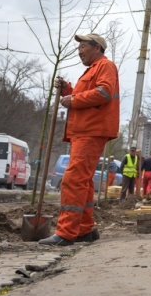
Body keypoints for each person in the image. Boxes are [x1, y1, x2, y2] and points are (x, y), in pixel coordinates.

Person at [39, 33, 119, 246]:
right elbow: (87, 95)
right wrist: (68, 90)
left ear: (97, 48)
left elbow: (103, 93)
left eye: (83, 46)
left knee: (73, 180)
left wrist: (72, 99)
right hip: (84, 130)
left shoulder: (105, 66)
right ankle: (84, 229)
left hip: (91, 131)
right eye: (79, 47)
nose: (79, 51)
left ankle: (66, 233)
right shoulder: (93, 70)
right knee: (83, 181)